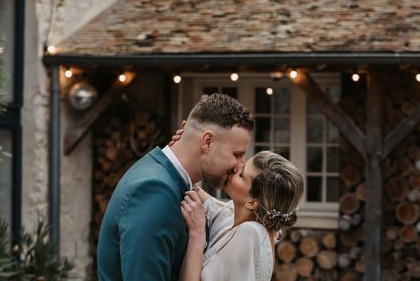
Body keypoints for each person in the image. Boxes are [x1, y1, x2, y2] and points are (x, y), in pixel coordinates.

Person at [96, 93, 255, 281]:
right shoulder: (153, 191)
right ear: (207, 142)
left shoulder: (174, 181)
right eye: (237, 154)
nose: (240, 165)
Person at [179, 150, 304, 281]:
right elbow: (206, 199)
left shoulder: (250, 233)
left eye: (241, 174)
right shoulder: (238, 216)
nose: (235, 167)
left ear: (251, 202)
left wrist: (197, 233)